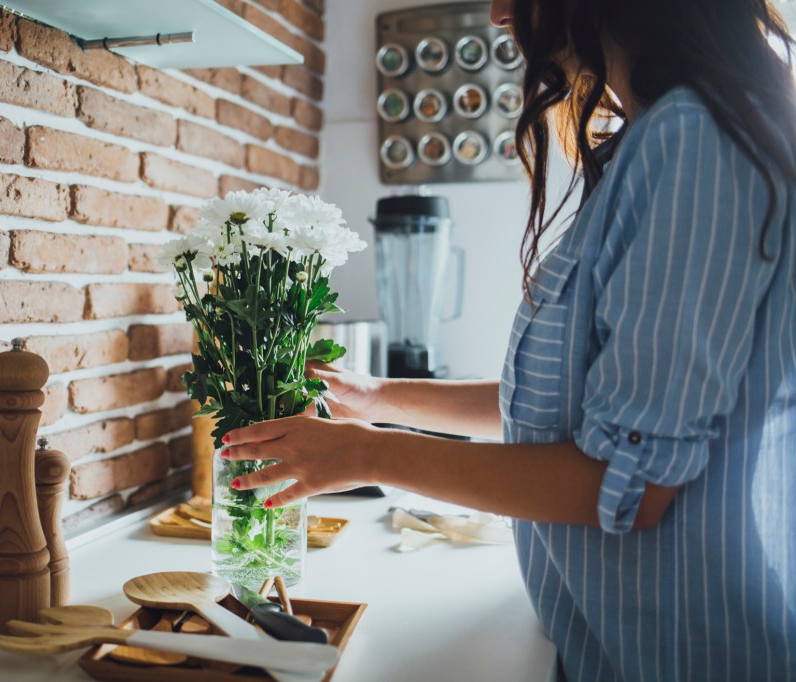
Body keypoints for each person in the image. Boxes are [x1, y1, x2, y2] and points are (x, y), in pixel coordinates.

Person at [221, 0, 796, 679]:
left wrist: (366, 453)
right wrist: (376, 398)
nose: (498, 13)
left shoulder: (694, 144)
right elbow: (577, 408)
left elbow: (627, 485)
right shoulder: (664, 140)